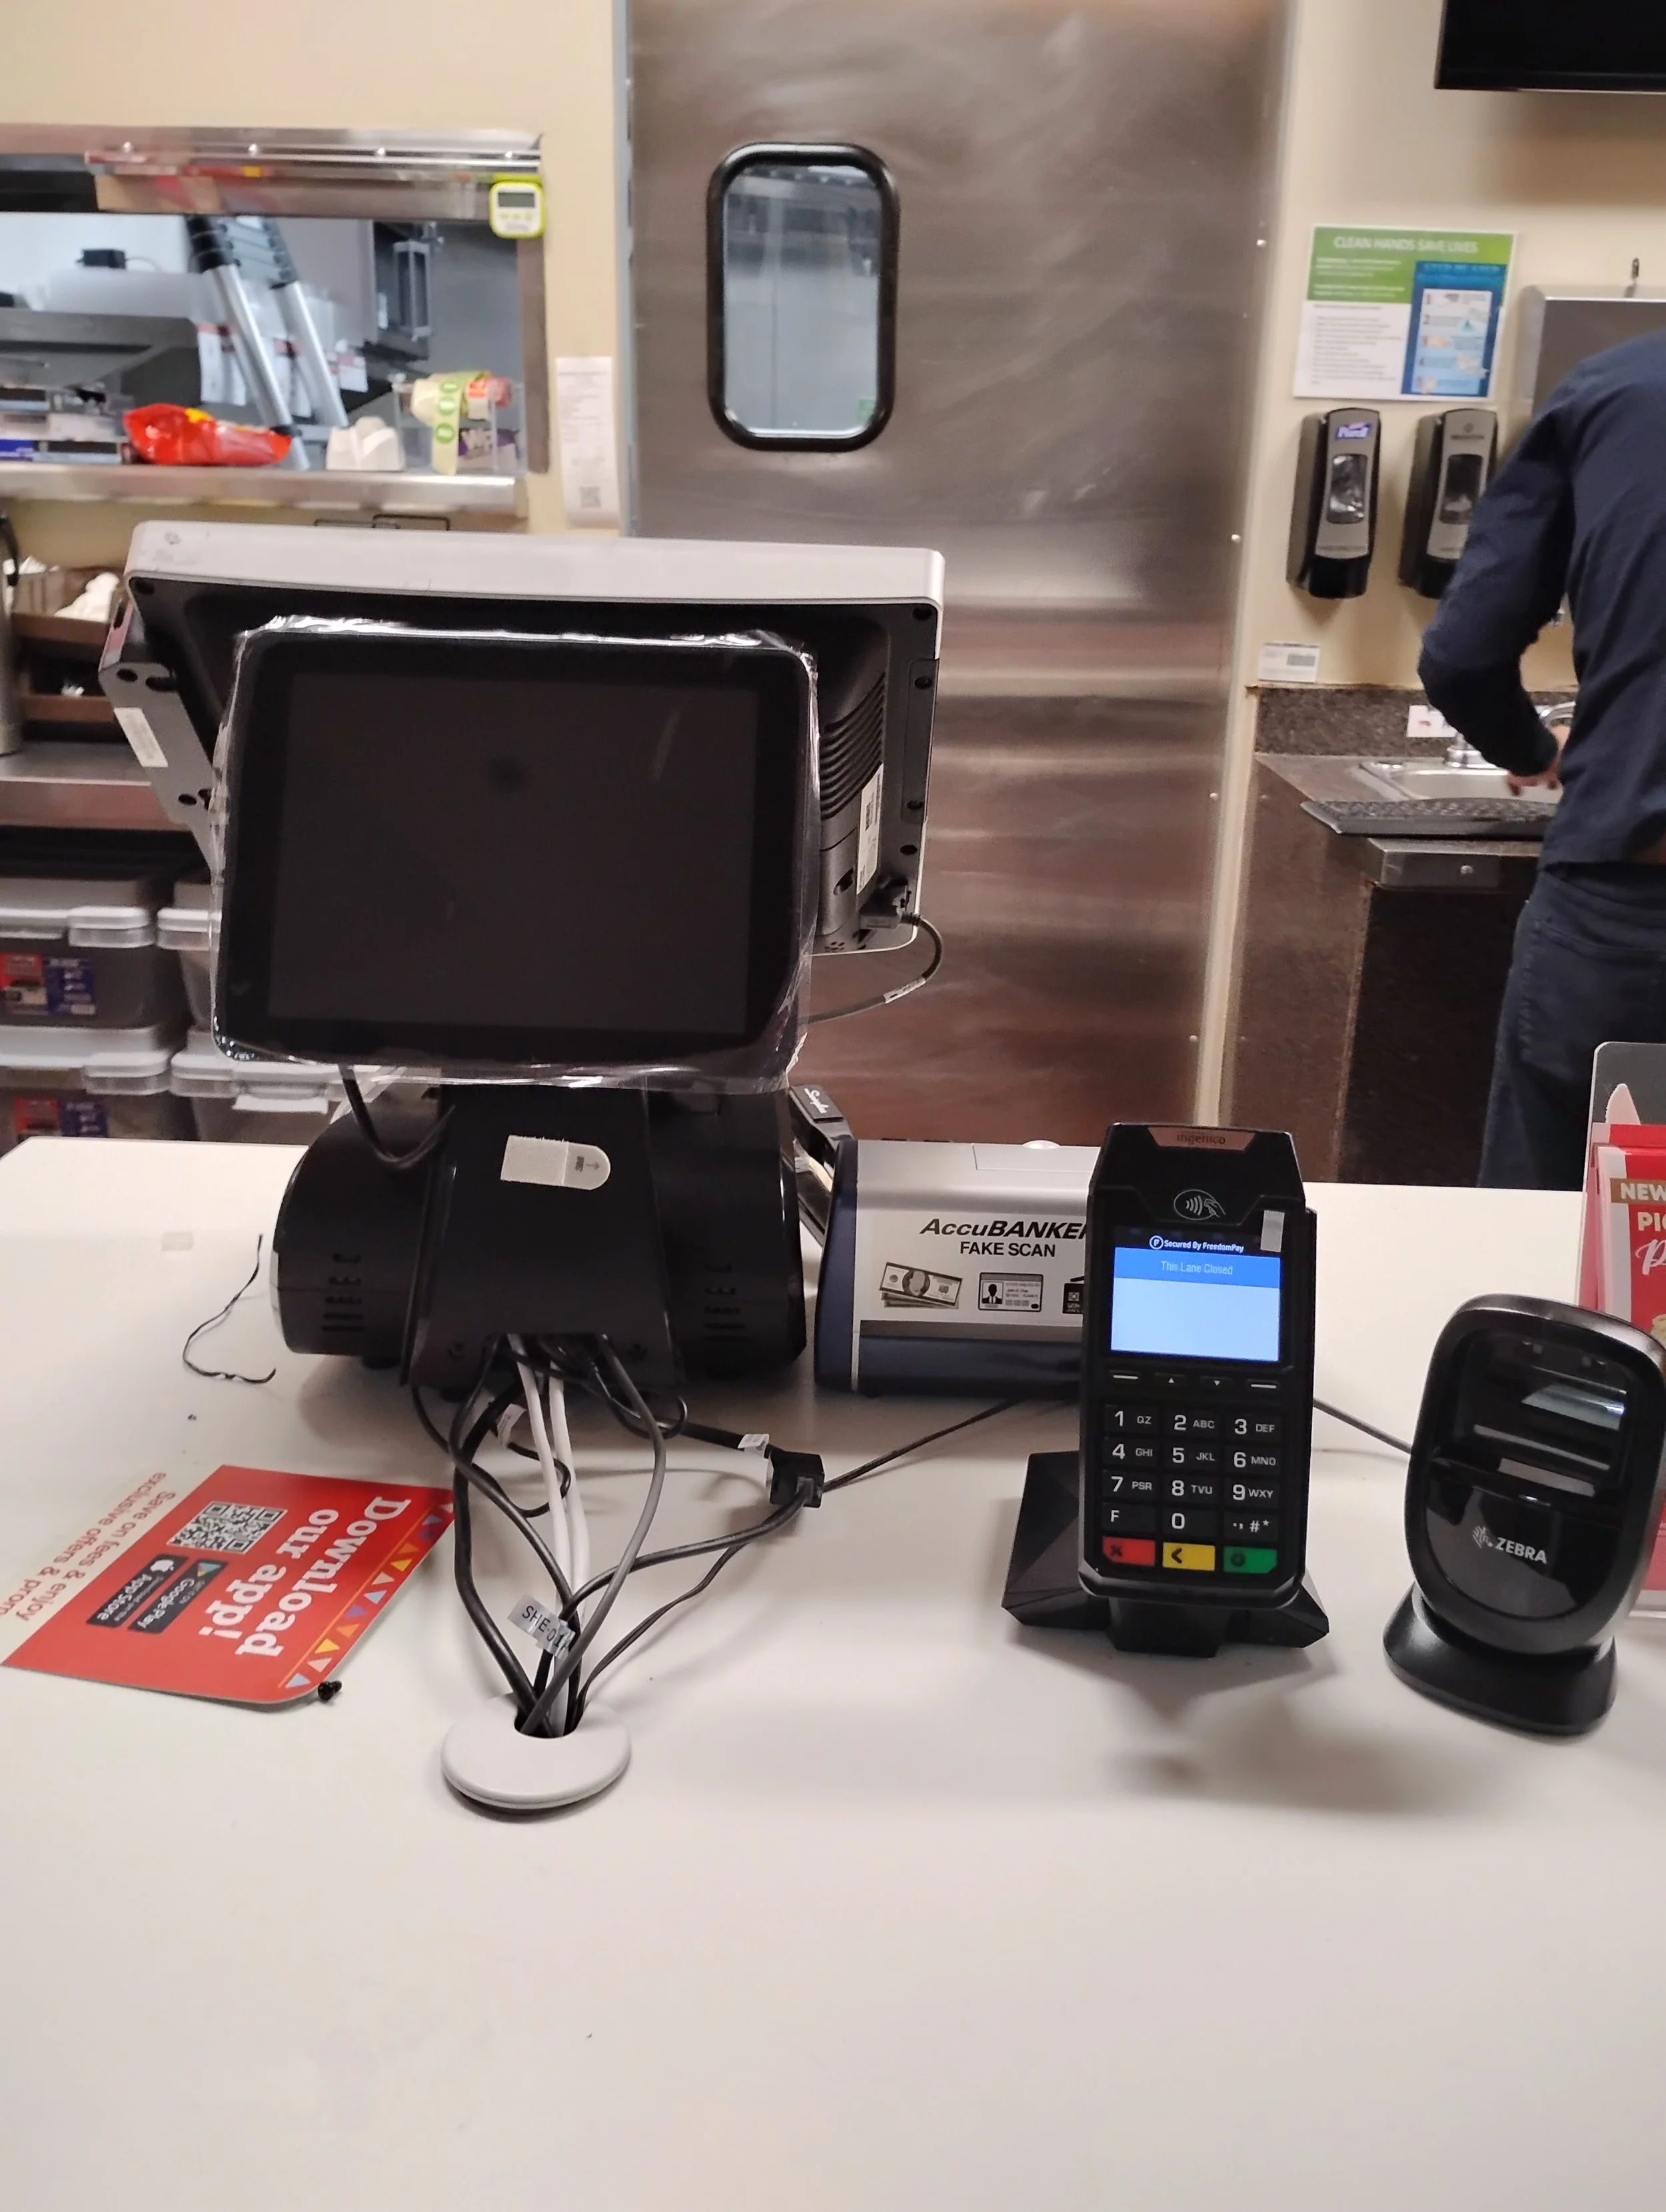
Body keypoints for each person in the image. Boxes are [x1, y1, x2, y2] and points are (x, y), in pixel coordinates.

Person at [1420, 328, 1666, 1191]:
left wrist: (1532, 751)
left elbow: (1463, 656)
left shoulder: (1619, 389)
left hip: (1633, 907)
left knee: (1558, 1235)